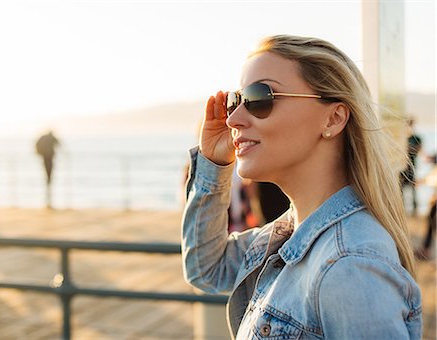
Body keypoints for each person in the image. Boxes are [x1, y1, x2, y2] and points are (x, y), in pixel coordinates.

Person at [181, 35, 422, 339]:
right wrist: (214, 163)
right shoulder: (291, 232)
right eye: (235, 101)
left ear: (333, 119)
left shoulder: (350, 266)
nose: (234, 119)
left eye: (259, 98)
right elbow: (205, 268)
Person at [35, 131, 60, 208]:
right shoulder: (51, 138)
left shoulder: (43, 138)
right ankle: (48, 198)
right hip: (49, 159)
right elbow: (59, 143)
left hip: (45, 158)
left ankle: (48, 197)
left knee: (48, 177)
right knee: (49, 177)